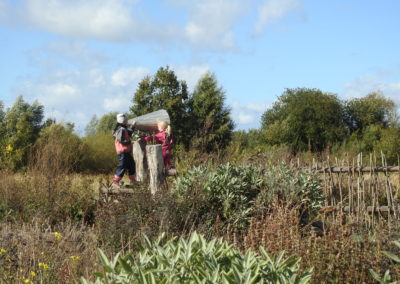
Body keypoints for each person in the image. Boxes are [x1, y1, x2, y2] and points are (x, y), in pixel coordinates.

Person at [111, 113, 136, 188]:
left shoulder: (123, 129)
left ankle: (133, 181)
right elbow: (122, 141)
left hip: (126, 152)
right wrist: (130, 142)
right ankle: (115, 182)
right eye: (126, 120)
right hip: (122, 152)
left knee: (132, 165)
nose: (127, 121)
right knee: (122, 166)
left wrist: (133, 126)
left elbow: (129, 134)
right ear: (123, 121)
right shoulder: (120, 129)